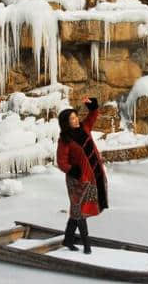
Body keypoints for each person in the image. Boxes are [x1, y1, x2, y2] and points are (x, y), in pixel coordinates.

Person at [56, 97, 108, 254]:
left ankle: (68, 240)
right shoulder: (64, 140)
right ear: (66, 122)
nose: (76, 119)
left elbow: (92, 117)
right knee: (80, 211)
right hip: (76, 179)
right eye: (72, 118)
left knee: (77, 211)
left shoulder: (84, 128)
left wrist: (93, 106)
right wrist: (72, 170)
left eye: (75, 116)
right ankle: (87, 246)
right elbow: (61, 161)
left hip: (92, 175)